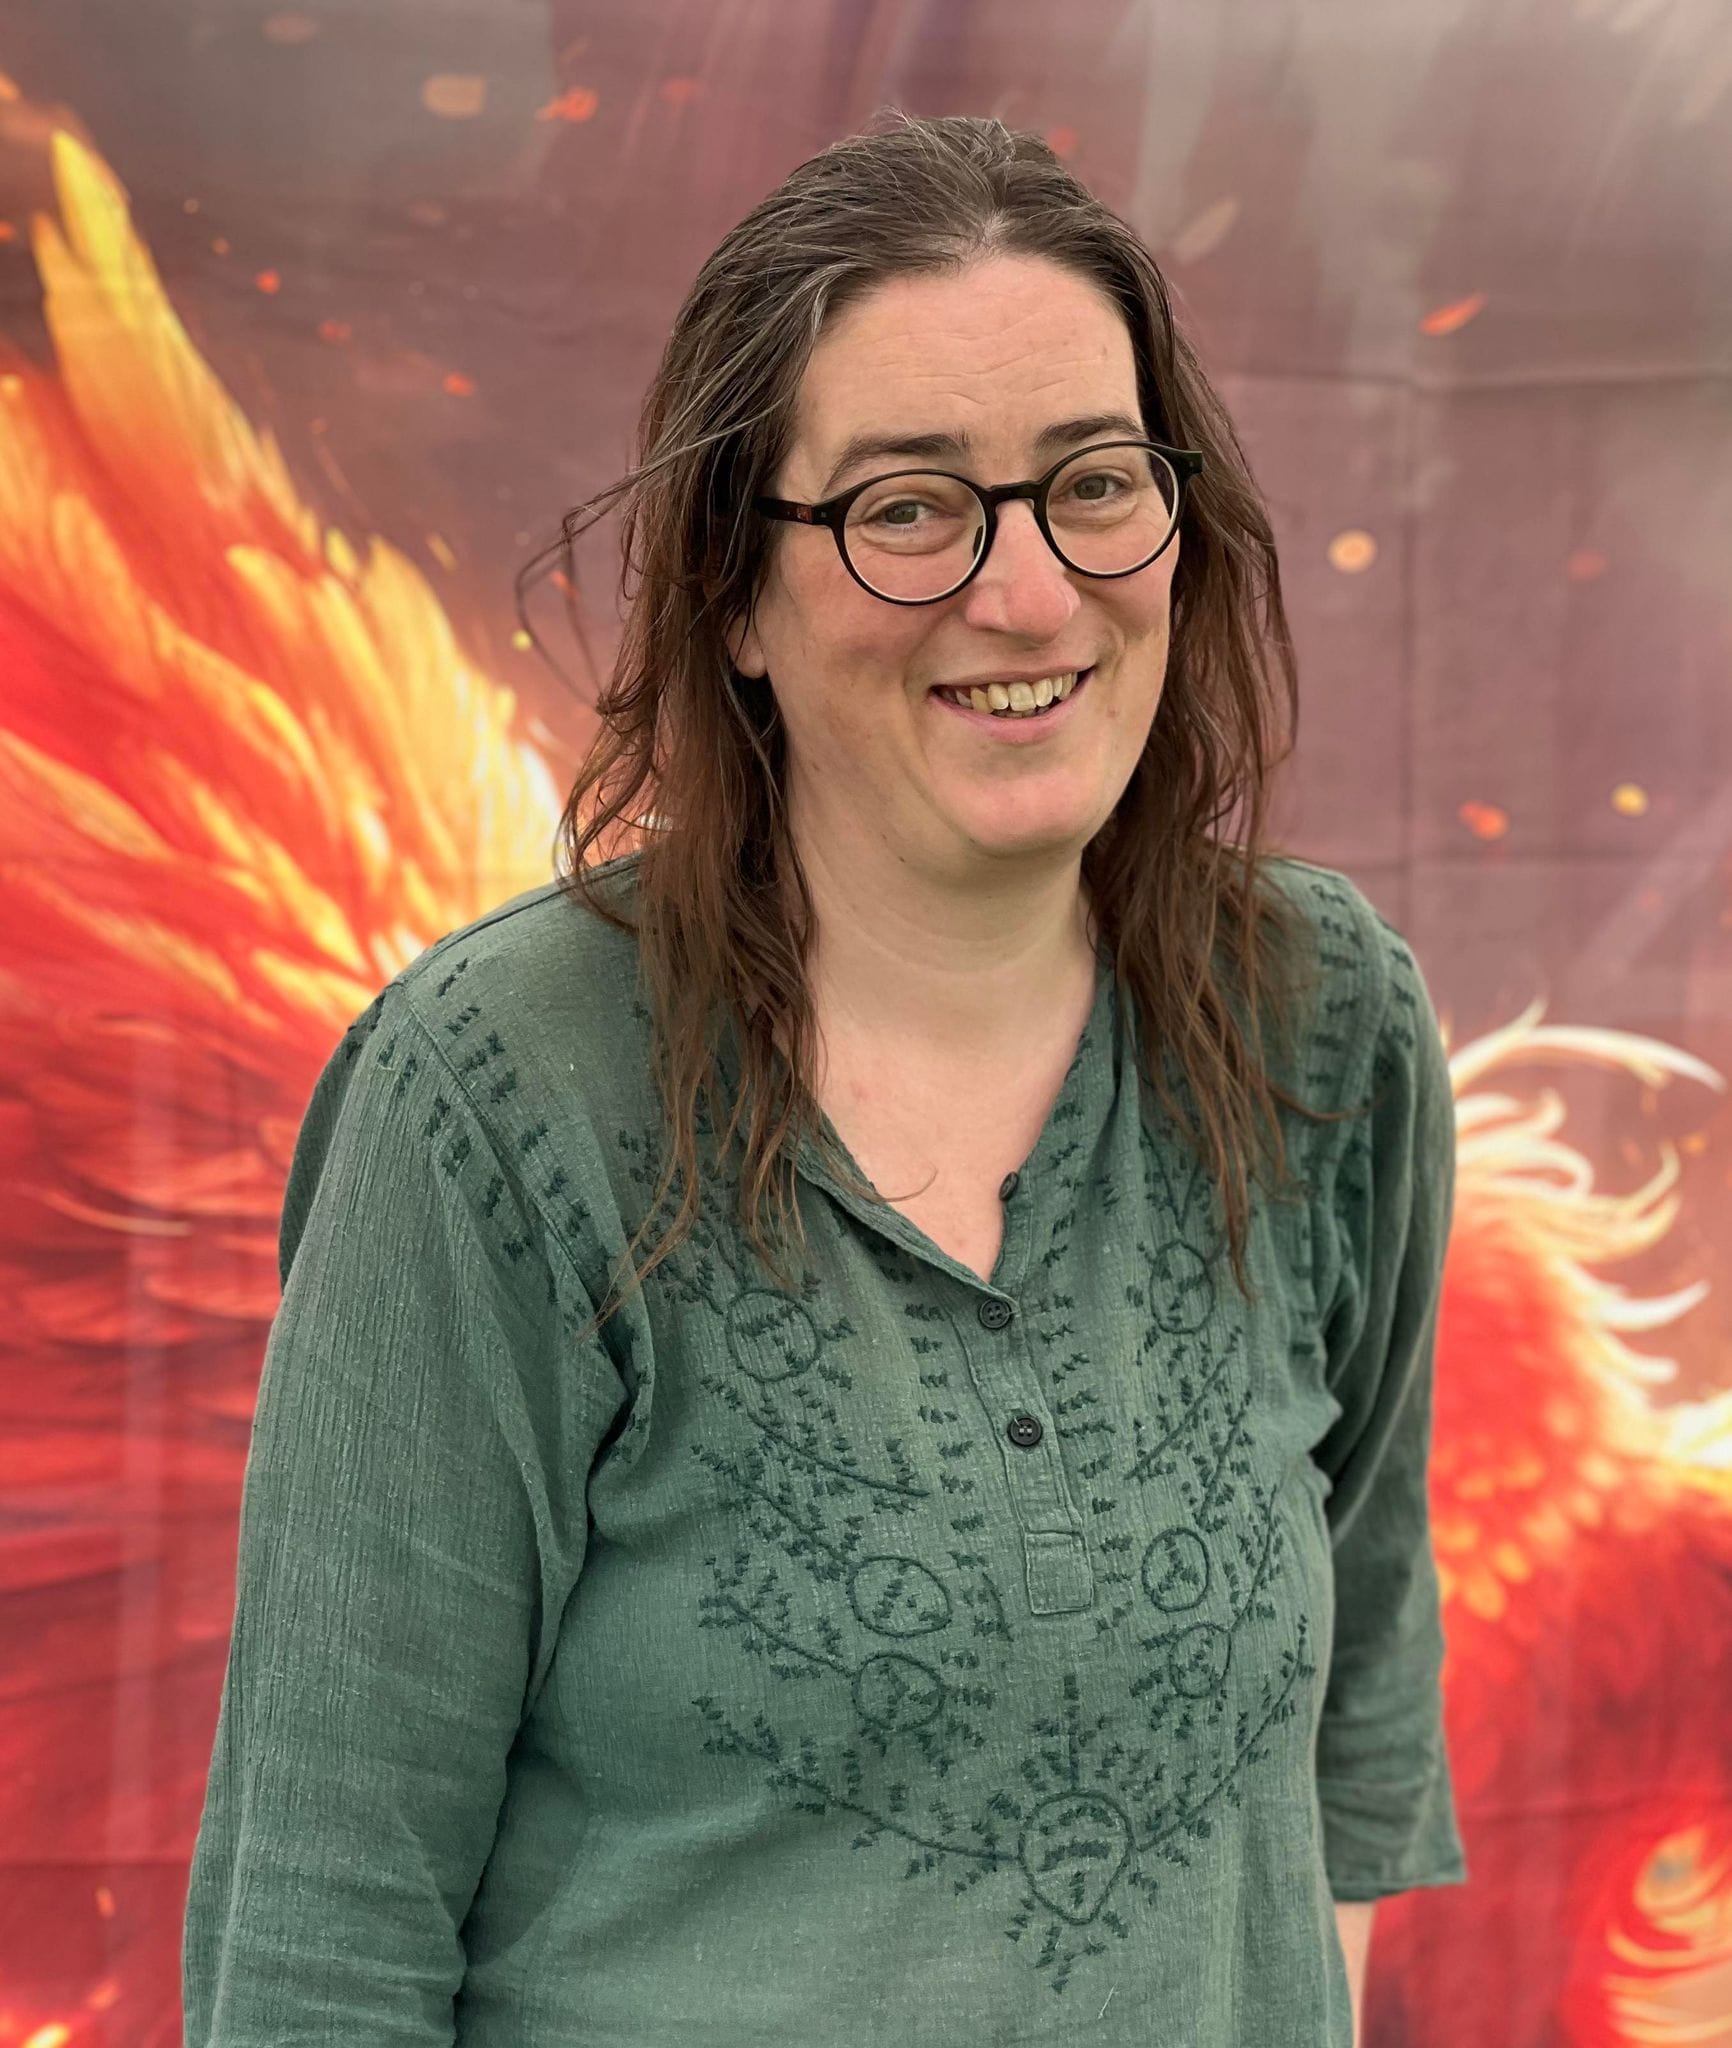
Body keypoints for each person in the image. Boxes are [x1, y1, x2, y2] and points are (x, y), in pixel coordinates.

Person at [182, 109, 1466, 2047]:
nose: (1026, 594)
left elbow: (1337, 1785)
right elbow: (318, 1944)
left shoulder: (1323, 1025)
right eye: (907, 507)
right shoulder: (498, 1097)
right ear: (732, 596)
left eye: (1091, 484)